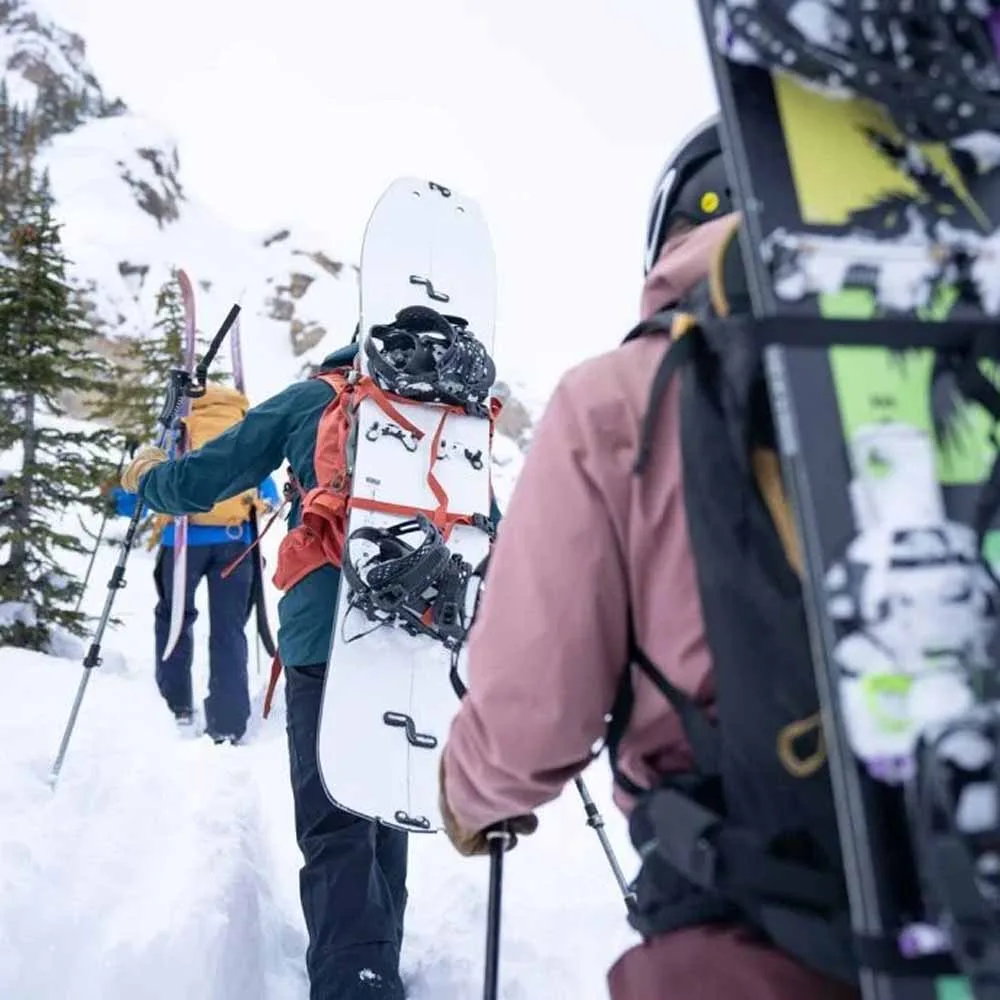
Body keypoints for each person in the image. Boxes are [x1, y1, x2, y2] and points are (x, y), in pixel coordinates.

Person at [436, 116, 860, 1000]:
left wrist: (471, 794)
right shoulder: (949, 364)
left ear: (670, 237)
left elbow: (533, 709)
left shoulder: (615, 399)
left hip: (744, 927)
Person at [120, 342, 409, 1000]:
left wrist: (145, 478)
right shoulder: (432, 419)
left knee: (336, 816)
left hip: (320, 633)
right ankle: (379, 957)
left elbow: (207, 477)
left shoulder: (313, 398)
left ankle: (355, 982)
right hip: (408, 640)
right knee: (386, 805)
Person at [117, 382, 280, 744]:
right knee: (229, 628)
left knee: (173, 619)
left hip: (182, 543)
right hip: (235, 544)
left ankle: (175, 706)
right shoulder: (240, 430)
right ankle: (230, 722)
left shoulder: (176, 432)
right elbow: (267, 492)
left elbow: (134, 499)